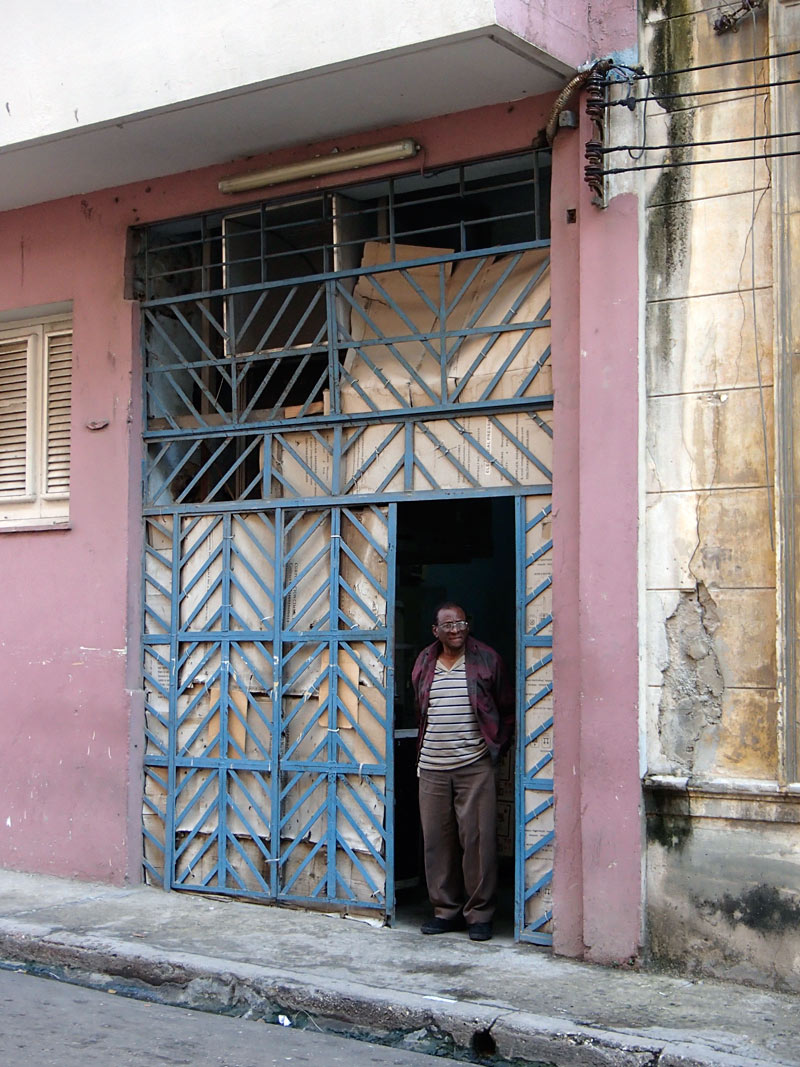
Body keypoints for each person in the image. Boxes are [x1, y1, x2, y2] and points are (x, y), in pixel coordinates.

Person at [411, 602, 514, 941]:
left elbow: (506, 707)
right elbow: (419, 707)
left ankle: (480, 914)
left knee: (478, 840)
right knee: (437, 843)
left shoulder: (486, 659)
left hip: (474, 765)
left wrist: (495, 745)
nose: (456, 629)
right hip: (432, 767)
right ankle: (446, 911)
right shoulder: (425, 661)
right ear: (435, 631)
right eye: (448, 625)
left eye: (461, 623)